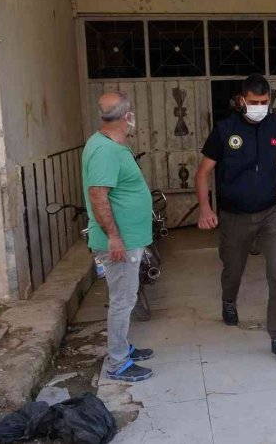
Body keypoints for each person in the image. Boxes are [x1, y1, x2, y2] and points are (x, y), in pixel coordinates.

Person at [195, 73, 276, 365]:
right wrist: (205, 209)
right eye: (254, 102)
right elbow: (203, 173)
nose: (259, 107)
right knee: (233, 271)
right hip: (234, 215)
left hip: (270, 212)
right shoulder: (224, 129)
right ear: (242, 100)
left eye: (264, 102)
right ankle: (229, 300)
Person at [82, 91, 155, 382]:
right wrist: (113, 236)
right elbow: (98, 195)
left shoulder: (111, 144)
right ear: (128, 116)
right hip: (118, 242)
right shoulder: (105, 151)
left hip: (127, 238)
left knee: (126, 297)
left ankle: (123, 348)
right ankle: (118, 362)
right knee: (122, 301)